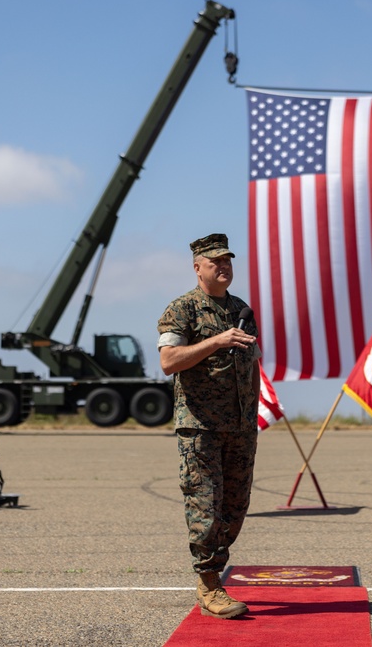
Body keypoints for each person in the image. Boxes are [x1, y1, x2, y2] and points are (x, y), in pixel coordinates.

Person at [156, 233, 260, 619]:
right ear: (197, 267)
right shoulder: (182, 309)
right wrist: (216, 341)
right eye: (215, 261)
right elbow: (169, 361)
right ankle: (209, 583)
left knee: (235, 506)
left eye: (227, 260)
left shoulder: (242, 309)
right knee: (205, 506)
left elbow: (254, 366)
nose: (223, 266)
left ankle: (214, 574)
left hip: (240, 428)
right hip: (200, 427)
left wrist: (253, 414)